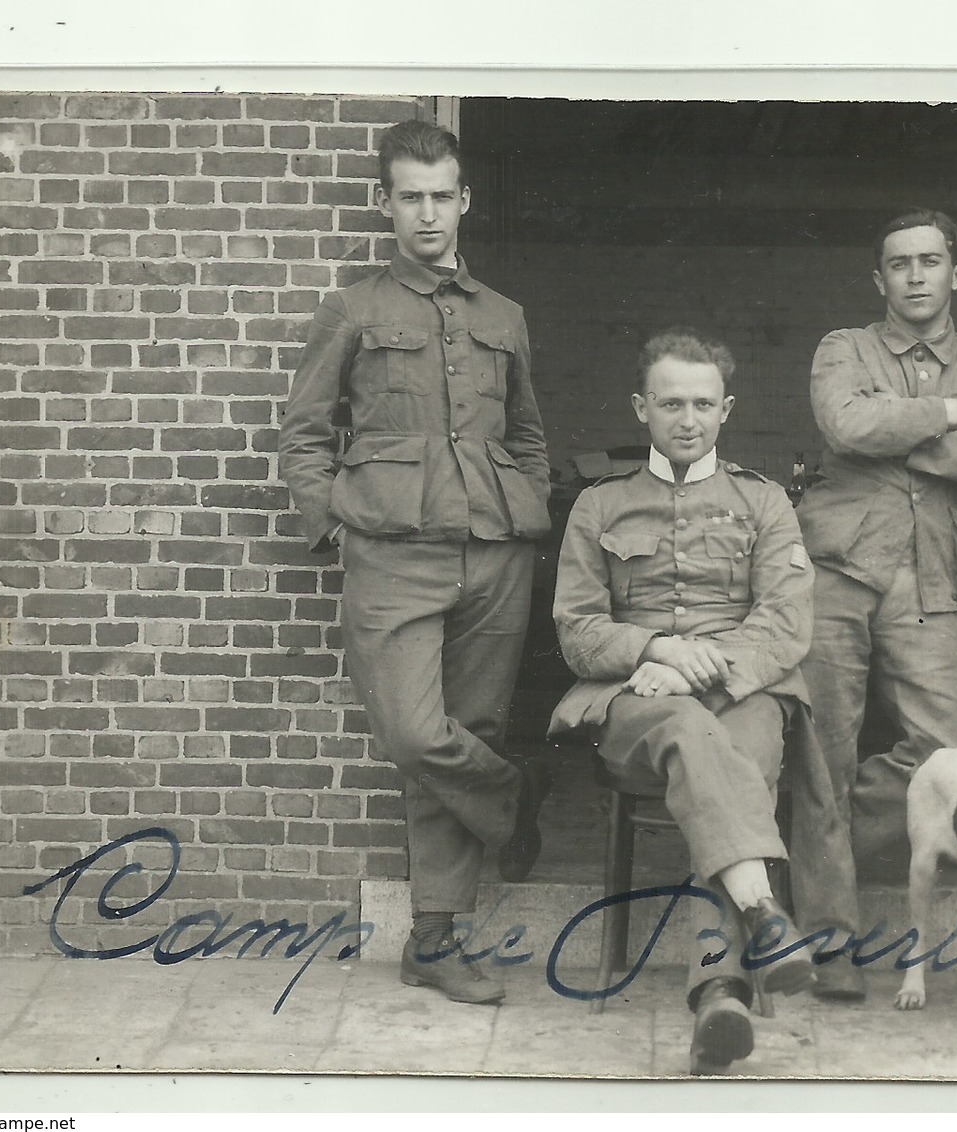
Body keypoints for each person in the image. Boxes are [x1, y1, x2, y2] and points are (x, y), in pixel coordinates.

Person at [279, 119, 552, 1008]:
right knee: (413, 733)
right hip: (393, 553)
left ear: (463, 200)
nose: (427, 213)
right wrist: (334, 525)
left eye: (442, 195)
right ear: (385, 203)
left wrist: (526, 513)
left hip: (494, 555)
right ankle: (511, 794)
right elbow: (306, 431)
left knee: (466, 721)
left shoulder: (503, 316)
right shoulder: (354, 309)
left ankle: (434, 939)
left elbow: (527, 436)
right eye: (410, 196)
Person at [549, 328, 861, 1075]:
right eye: (668, 404)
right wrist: (655, 651)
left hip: (741, 688)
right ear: (640, 409)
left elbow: (784, 623)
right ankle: (761, 914)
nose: (685, 419)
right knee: (695, 739)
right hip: (633, 700)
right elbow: (577, 631)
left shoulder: (762, 503)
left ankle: (718, 991)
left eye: (700, 404)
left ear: (725, 410)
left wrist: (698, 670)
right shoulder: (599, 506)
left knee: (729, 765)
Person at [796, 208, 957, 908]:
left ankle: (795, 835)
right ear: (879, 279)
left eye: (929, 261)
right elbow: (845, 422)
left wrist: (899, 430)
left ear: (954, 272)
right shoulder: (844, 347)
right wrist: (952, 415)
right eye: (900, 264)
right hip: (837, 568)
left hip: (932, 578)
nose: (915, 275)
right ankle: (827, 934)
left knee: (950, 756)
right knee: (823, 750)